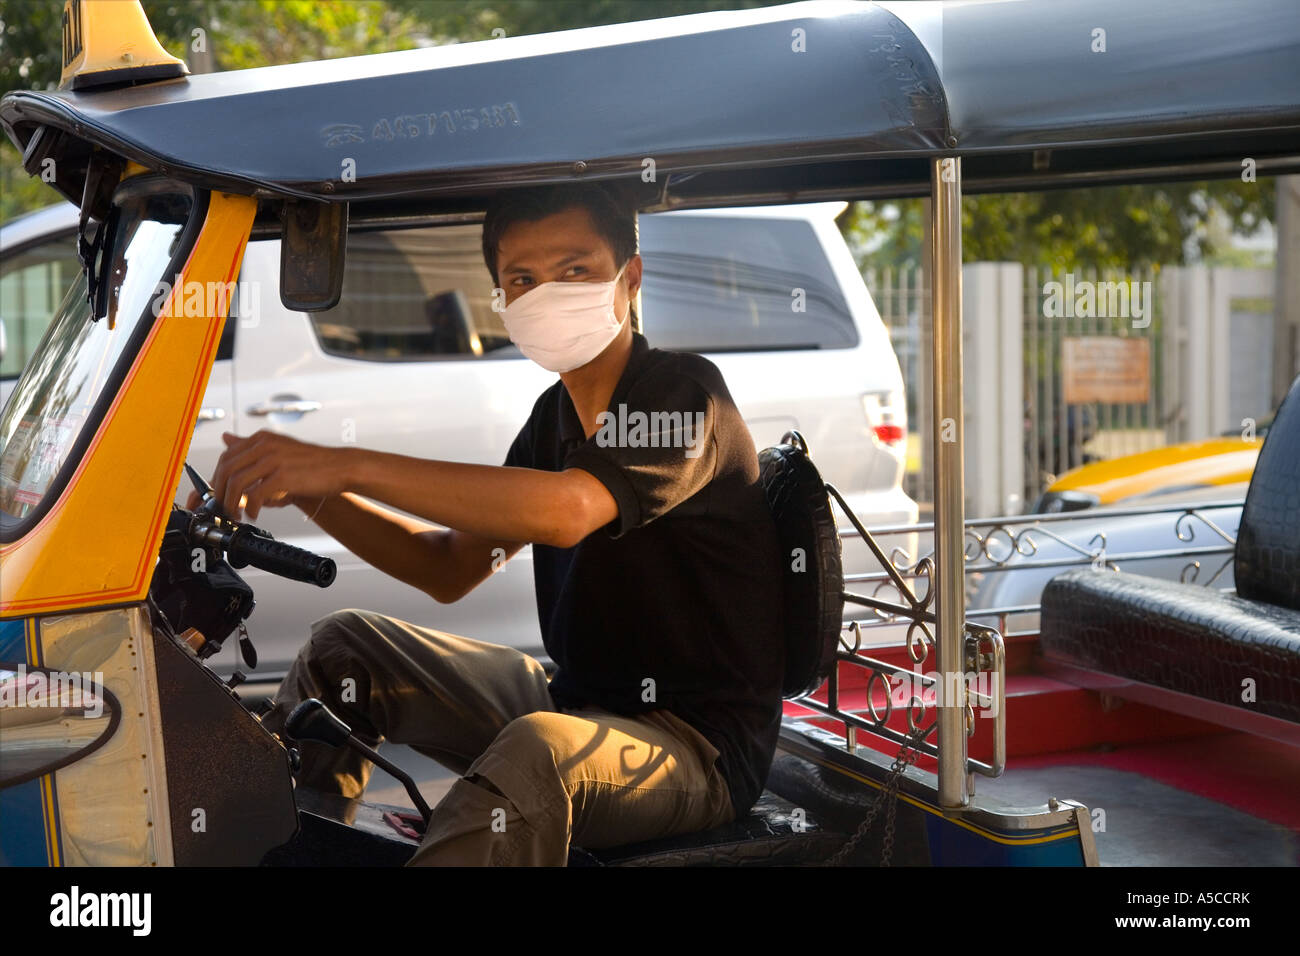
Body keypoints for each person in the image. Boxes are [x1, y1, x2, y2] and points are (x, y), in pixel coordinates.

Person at [187, 182, 786, 865]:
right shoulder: (550, 419)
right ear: (501, 300)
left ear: (631, 279)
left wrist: (343, 463)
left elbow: (568, 511)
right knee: (344, 648)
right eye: (523, 280)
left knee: (538, 752)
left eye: (576, 271)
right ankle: (281, 850)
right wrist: (306, 489)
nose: (549, 295)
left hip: (694, 748)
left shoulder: (682, 394)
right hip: (576, 705)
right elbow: (446, 567)